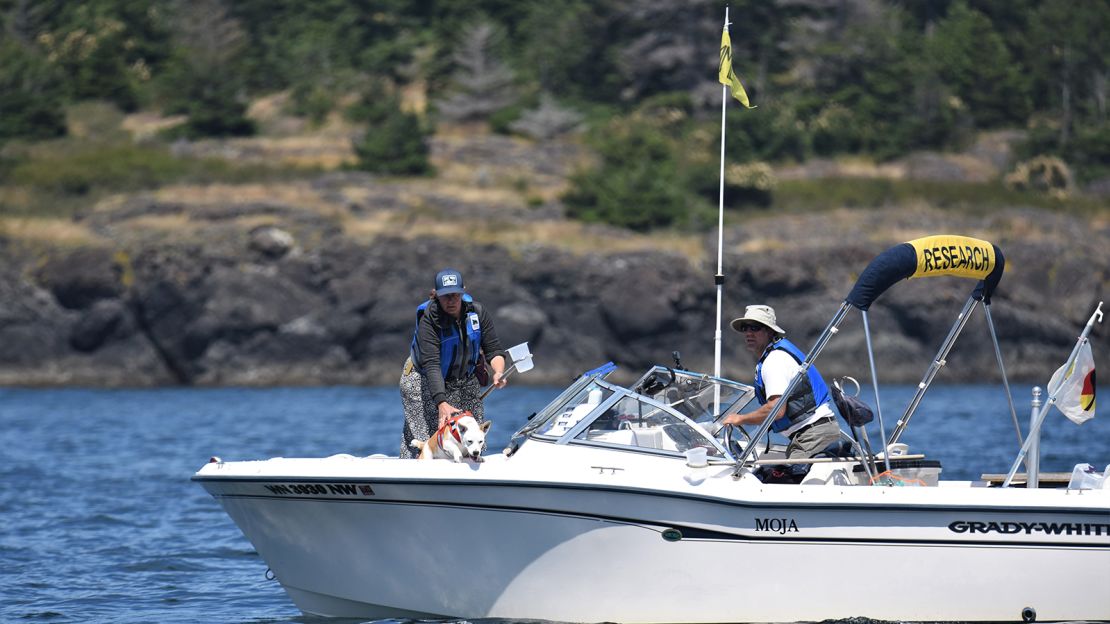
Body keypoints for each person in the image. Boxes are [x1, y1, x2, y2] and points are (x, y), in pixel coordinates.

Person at [399, 268, 507, 458]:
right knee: (427, 443)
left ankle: (471, 480)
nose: (451, 301)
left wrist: (498, 372)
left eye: (455, 295)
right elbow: (432, 364)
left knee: (472, 437)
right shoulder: (429, 320)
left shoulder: (477, 312)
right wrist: (442, 402)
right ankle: (414, 477)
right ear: (436, 295)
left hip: (463, 379)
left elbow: (494, 349)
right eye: (445, 296)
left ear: (463, 291)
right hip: (423, 380)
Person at [721, 304, 842, 459]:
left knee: (788, 480)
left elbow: (776, 410)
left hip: (813, 435)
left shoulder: (774, 360)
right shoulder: (774, 355)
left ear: (769, 330)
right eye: (745, 328)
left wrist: (740, 419)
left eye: (755, 327)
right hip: (815, 432)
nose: (749, 333)